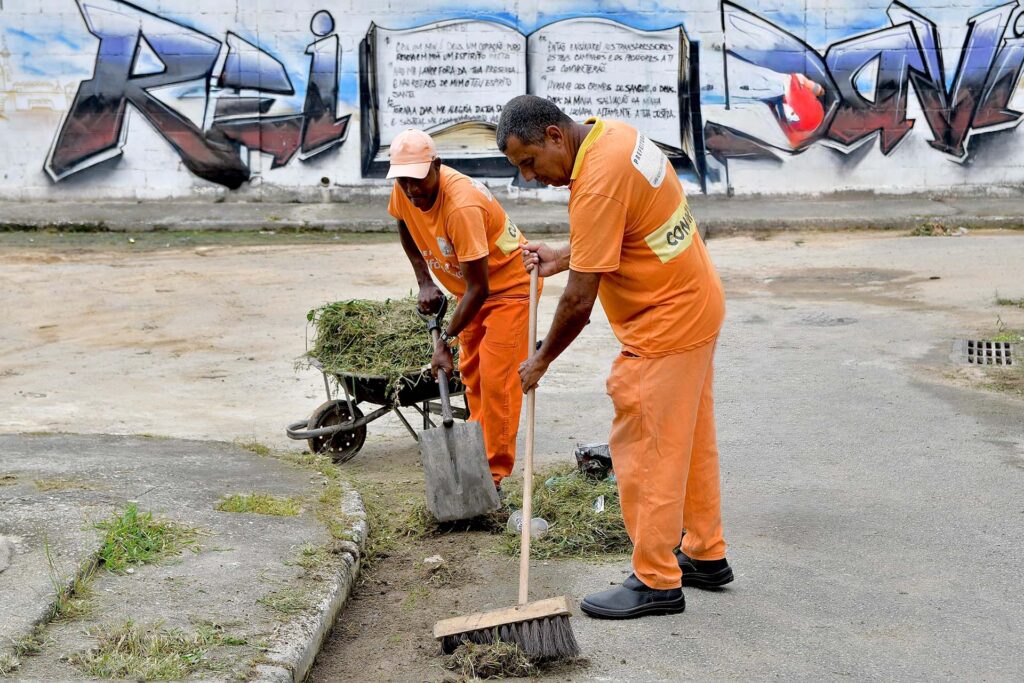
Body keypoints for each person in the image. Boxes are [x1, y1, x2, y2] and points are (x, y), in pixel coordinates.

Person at [496, 95, 733, 619]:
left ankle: (656, 580)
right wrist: (564, 256)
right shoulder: (614, 137)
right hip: (695, 305)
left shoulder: (595, 184)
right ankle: (704, 553)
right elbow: (626, 230)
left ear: (556, 136)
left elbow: (580, 302)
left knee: (645, 451)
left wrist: (540, 360)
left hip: (664, 327)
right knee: (689, 443)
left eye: (529, 163)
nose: (530, 178)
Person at [386, 128, 536, 489]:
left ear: (436, 166)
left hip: (509, 288)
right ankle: (478, 456)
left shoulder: (462, 205)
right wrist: (424, 279)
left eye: (417, 181)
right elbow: (404, 221)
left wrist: (444, 341)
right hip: (471, 292)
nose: (410, 190)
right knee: (473, 376)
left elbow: (481, 288)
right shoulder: (407, 185)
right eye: (403, 181)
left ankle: (492, 479)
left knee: (498, 380)